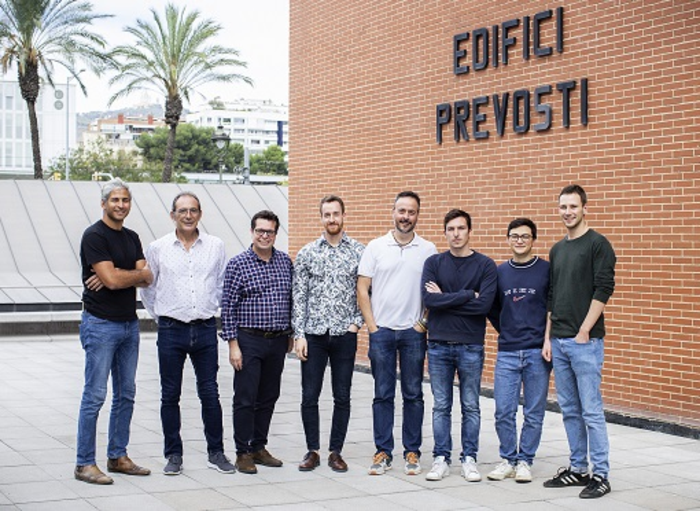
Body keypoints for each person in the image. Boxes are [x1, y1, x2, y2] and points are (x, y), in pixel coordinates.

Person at [140, 192, 235, 476]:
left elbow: (222, 284)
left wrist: (211, 307)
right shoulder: (158, 248)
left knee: (210, 393)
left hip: (205, 329)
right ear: (173, 215)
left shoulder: (216, 246)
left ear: (200, 214)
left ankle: (216, 452)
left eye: (193, 210)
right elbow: (148, 288)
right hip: (171, 330)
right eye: (182, 211)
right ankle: (173, 454)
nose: (188, 215)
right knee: (170, 395)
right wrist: (162, 316)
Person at [75, 178, 153, 485]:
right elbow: (112, 280)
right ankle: (84, 463)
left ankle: (118, 456)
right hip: (100, 324)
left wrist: (118, 275)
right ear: (104, 203)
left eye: (125, 200)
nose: (121, 205)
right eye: (115, 200)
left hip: (129, 325)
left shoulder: (132, 237)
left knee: (126, 394)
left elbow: (148, 276)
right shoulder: (94, 236)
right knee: (95, 395)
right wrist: (123, 275)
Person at [542, 184, 616, 499]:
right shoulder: (557, 249)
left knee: (591, 411)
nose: (568, 212)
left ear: (585, 208)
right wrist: (548, 337)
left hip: (585, 342)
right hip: (558, 341)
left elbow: (604, 289)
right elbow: (552, 296)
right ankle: (578, 468)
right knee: (570, 410)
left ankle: (601, 474)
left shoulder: (598, 244)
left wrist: (584, 330)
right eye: (563, 207)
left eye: (573, 206)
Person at [357, 191, 437, 476]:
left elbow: (434, 292)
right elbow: (362, 288)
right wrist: (372, 326)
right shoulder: (376, 247)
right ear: (393, 212)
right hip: (382, 332)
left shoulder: (428, 249)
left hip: (413, 333)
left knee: (413, 393)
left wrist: (423, 323)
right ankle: (383, 451)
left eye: (411, 212)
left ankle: (412, 451)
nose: (406, 216)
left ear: (418, 215)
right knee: (383, 393)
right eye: (401, 211)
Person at [420, 209, 497, 483]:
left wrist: (446, 299)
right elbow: (430, 301)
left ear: (469, 231)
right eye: (451, 229)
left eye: (461, 228)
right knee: (441, 405)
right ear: (445, 233)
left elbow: (483, 306)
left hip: (470, 346)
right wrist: (466, 295)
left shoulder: (485, 265)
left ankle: (469, 458)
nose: (456, 234)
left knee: (470, 405)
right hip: (438, 345)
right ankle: (441, 458)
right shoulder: (434, 263)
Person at [292, 195, 365, 472]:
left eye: (336, 214)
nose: (332, 219)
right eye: (327, 215)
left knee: (342, 395)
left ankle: (336, 451)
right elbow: (299, 296)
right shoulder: (307, 253)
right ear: (321, 217)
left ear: (343, 216)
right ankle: (312, 450)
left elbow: (368, 292)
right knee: (309, 395)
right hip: (314, 335)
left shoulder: (359, 252)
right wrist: (299, 334)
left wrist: (356, 323)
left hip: (344, 334)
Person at [220, 210, 293, 475]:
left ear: (275, 234)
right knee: (245, 397)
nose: (264, 236)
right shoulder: (238, 264)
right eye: (260, 231)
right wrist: (233, 344)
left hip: (278, 341)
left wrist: (290, 334)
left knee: (269, 396)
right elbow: (228, 306)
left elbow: (290, 300)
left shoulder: (285, 262)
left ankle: (259, 447)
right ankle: (243, 452)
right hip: (249, 340)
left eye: (269, 232)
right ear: (252, 232)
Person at [486, 218, 551, 484]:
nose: (520, 240)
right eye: (514, 236)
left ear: (533, 239)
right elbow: (492, 308)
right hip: (508, 351)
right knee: (503, 410)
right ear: (508, 239)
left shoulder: (546, 269)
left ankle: (525, 461)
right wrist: (507, 329)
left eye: (525, 236)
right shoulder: (500, 272)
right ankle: (508, 459)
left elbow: (552, 307)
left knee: (534, 412)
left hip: (537, 352)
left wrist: (547, 339)